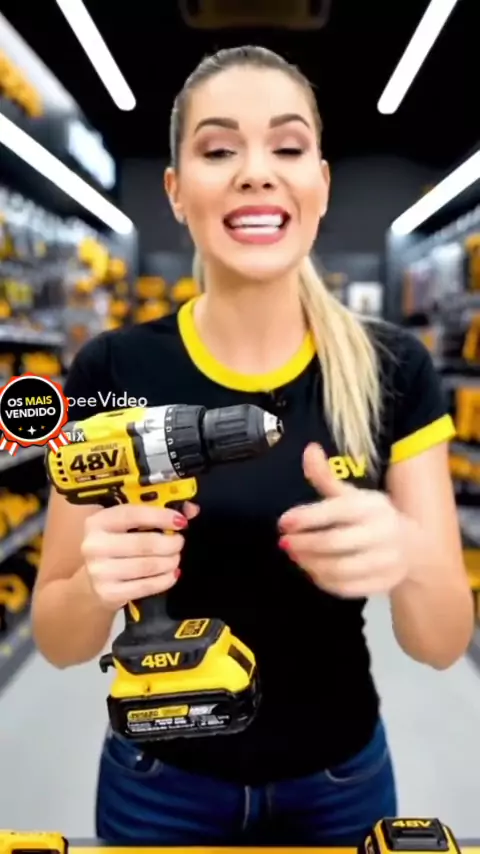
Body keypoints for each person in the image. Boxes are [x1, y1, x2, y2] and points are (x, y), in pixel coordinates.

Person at [32, 45, 473, 847]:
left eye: (288, 146)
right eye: (219, 149)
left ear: (321, 184)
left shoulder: (394, 369)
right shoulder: (111, 368)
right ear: (176, 191)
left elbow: (442, 645)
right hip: (157, 783)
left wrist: (407, 554)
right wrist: (96, 587)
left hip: (341, 779)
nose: (256, 173)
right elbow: (60, 644)